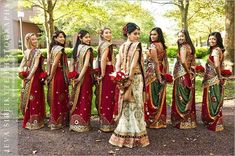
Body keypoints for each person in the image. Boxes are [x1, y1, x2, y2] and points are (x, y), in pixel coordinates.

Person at [109, 22, 150, 148]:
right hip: (134, 78)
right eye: (135, 34)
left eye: (138, 34)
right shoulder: (137, 46)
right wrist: (129, 80)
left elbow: (117, 64)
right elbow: (132, 66)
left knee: (127, 105)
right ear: (128, 34)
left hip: (123, 78)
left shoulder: (122, 47)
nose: (137, 36)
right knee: (135, 104)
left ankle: (123, 134)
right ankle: (136, 134)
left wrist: (119, 77)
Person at [171, 29, 197, 129]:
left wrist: (187, 71)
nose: (180, 38)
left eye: (182, 36)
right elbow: (193, 61)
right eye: (179, 36)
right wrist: (192, 70)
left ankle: (180, 120)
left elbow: (182, 61)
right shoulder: (190, 47)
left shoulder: (182, 47)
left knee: (180, 96)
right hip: (189, 73)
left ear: (186, 37)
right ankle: (189, 120)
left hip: (182, 74)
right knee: (187, 94)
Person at [19, 32, 45, 130]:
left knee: (34, 97)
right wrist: (22, 73)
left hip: (34, 76)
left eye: (36, 39)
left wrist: (27, 74)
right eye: (33, 39)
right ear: (28, 41)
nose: (35, 41)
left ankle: (36, 121)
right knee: (32, 97)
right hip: (32, 76)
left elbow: (35, 65)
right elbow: (22, 65)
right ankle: (33, 121)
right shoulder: (28, 52)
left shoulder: (37, 51)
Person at [69, 30, 94, 132]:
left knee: (77, 97)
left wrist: (72, 75)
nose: (88, 39)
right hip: (85, 76)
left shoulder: (76, 49)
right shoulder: (88, 49)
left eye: (89, 37)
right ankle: (83, 124)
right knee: (84, 98)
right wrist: (80, 78)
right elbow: (86, 64)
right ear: (80, 38)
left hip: (77, 75)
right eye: (86, 37)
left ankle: (75, 123)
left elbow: (71, 64)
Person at [144, 27, 169, 128]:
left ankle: (152, 120)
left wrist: (159, 77)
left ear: (159, 35)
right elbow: (165, 61)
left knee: (151, 96)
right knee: (158, 94)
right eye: (151, 34)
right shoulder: (162, 46)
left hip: (153, 72)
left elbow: (155, 63)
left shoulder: (153, 46)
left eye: (154, 34)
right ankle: (160, 120)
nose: (152, 36)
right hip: (161, 70)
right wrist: (165, 73)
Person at [201, 32, 225, 131]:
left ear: (218, 40)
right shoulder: (218, 50)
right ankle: (215, 120)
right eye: (210, 39)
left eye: (213, 39)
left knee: (212, 98)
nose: (211, 41)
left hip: (213, 79)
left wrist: (219, 77)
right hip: (212, 78)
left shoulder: (215, 50)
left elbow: (216, 65)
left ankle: (212, 120)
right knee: (214, 98)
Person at [47, 30, 69, 130]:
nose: (62, 38)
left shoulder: (53, 48)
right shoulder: (59, 49)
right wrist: (51, 76)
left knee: (56, 97)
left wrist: (50, 75)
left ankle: (56, 121)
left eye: (63, 37)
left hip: (55, 75)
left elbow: (49, 62)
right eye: (60, 37)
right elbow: (55, 64)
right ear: (55, 38)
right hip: (58, 75)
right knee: (60, 97)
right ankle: (59, 121)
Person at [96, 28, 116, 132]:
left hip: (104, 70)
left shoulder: (101, 45)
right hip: (108, 71)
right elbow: (103, 59)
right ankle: (108, 123)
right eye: (106, 33)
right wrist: (104, 73)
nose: (109, 34)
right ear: (102, 35)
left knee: (104, 95)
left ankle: (104, 123)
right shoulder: (107, 45)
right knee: (109, 96)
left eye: (110, 32)